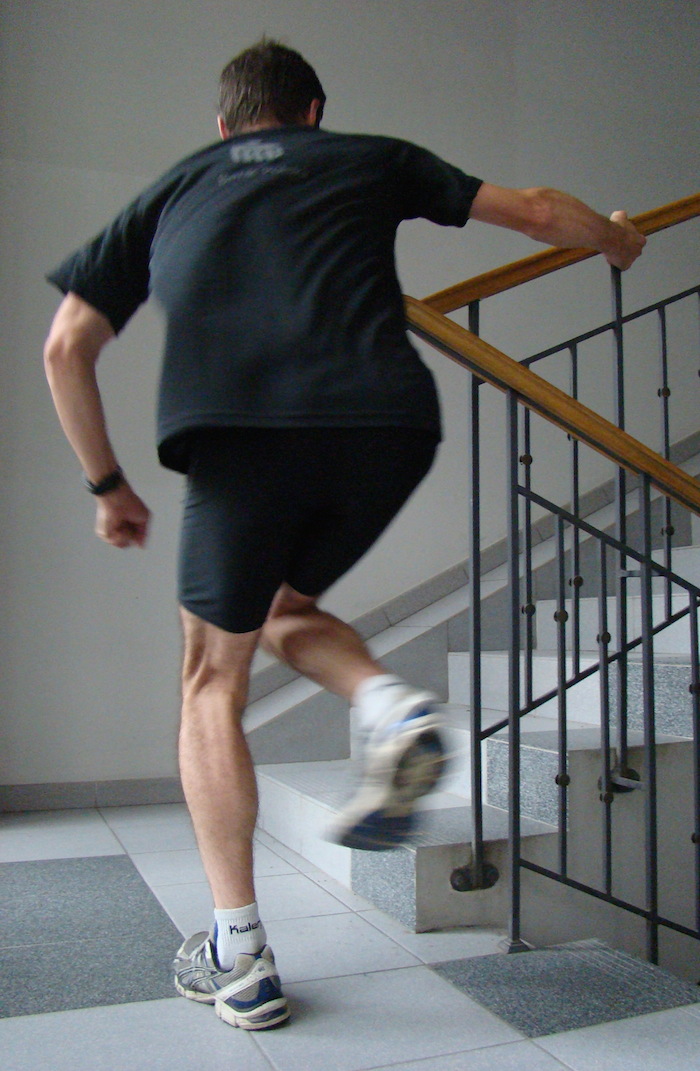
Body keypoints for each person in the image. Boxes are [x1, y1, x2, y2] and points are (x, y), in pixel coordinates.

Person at [43, 39, 646, 1031]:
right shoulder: (370, 156)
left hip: (243, 437)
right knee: (285, 613)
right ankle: (392, 709)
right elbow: (539, 211)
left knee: (210, 680)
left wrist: (109, 485)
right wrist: (617, 243)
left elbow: (66, 346)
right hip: (389, 425)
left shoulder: (175, 187)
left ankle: (239, 953)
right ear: (313, 111)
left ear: (224, 124)